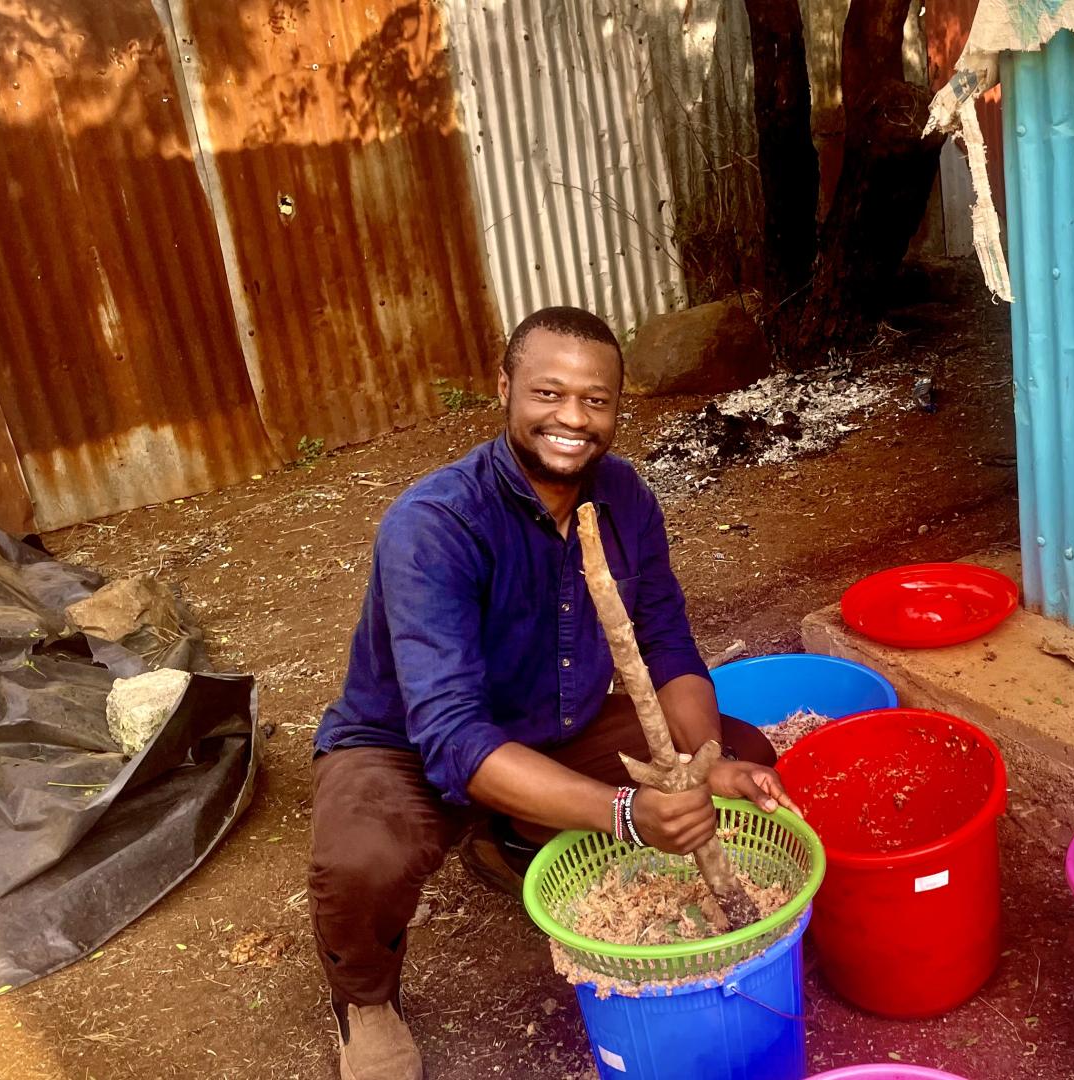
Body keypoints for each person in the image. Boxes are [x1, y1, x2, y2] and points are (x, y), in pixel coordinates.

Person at [306, 306, 797, 1080]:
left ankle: (511, 837)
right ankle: (366, 1000)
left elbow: (665, 641)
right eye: (548, 393)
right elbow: (452, 733)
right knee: (364, 856)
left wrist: (700, 766)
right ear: (504, 389)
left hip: (551, 724)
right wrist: (630, 813)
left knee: (744, 753)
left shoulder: (625, 497)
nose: (572, 418)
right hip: (406, 743)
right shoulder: (435, 523)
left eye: (595, 400)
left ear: (615, 409)